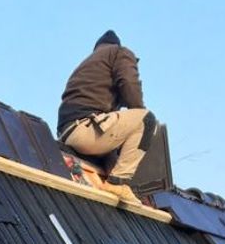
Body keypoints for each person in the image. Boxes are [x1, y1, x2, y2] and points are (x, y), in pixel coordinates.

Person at [57, 30, 157, 206]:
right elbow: (128, 83)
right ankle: (116, 183)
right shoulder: (119, 53)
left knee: (114, 154)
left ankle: (112, 174)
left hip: (68, 135)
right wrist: (138, 116)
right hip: (86, 130)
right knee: (146, 120)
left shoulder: (89, 64)